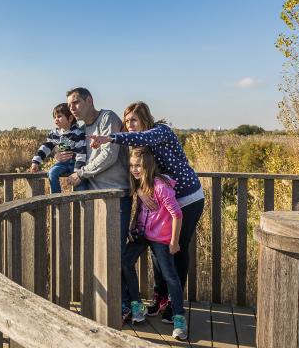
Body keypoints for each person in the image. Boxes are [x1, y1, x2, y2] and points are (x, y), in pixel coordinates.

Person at [90, 101, 205, 323]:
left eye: (133, 119)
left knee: (177, 250)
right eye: (126, 120)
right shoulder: (139, 148)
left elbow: (142, 138)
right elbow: (143, 175)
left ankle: (174, 302)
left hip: (188, 199)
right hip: (164, 203)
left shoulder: (160, 132)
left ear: (145, 119)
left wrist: (111, 137)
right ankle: (160, 297)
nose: (129, 124)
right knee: (157, 249)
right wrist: (142, 193)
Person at [54, 87, 132, 319]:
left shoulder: (107, 118)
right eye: (70, 105)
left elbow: (109, 154)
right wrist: (58, 157)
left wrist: (82, 173)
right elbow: (66, 148)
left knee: (116, 253)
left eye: (76, 102)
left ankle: (125, 304)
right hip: (93, 198)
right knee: (99, 252)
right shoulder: (78, 128)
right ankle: (107, 304)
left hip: (116, 195)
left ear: (90, 100)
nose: (72, 108)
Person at [124, 147, 187, 340]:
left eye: (139, 166)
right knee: (125, 261)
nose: (135, 169)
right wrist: (133, 225)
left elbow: (177, 214)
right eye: (132, 166)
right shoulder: (140, 184)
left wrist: (174, 242)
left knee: (170, 277)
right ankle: (136, 305)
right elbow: (142, 209)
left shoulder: (161, 187)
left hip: (161, 239)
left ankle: (179, 318)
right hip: (143, 234)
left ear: (148, 166)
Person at [30, 103, 87, 193]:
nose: (56, 120)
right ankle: (56, 196)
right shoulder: (54, 134)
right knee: (52, 173)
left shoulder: (78, 133)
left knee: (79, 183)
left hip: (76, 163)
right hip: (63, 163)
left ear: (70, 118)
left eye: (59, 116)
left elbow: (81, 153)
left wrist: (77, 171)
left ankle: (83, 199)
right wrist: (36, 162)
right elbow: (45, 147)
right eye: (54, 117)